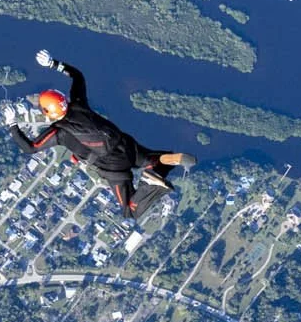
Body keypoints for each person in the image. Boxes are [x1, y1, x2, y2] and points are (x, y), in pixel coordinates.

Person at [19, 49, 194, 217]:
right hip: (124, 143)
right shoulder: (79, 104)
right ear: (63, 99)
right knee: (152, 160)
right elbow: (77, 76)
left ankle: (149, 183)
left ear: (48, 112)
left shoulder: (58, 132)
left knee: (130, 210)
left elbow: (30, 147)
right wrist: (52, 63)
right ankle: (170, 159)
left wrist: (12, 124)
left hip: (112, 164)